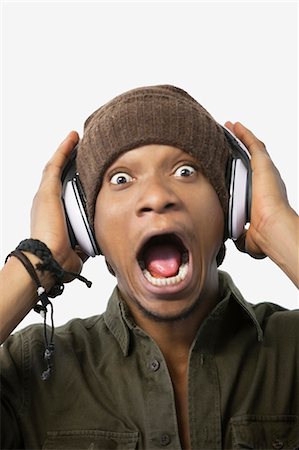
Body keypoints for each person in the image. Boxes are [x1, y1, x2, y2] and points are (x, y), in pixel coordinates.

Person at [1, 85, 298, 450]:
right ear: (84, 225)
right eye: (121, 179)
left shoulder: (292, 350)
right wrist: (37, 260)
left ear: (233, 206)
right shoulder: (28, 372)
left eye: (186, 171)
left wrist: (278, 227)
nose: (157, 198)